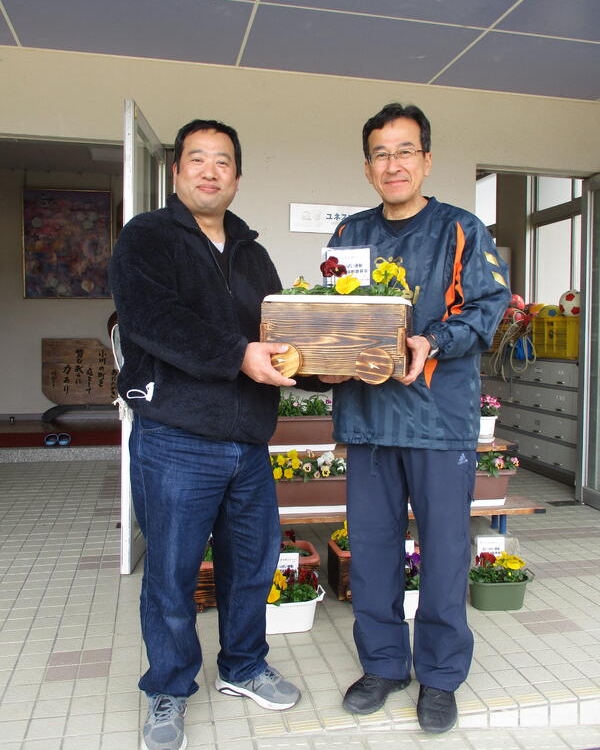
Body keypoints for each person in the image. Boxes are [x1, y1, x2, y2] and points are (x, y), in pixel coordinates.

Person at [109, 118, 300, 750]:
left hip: (249, 440)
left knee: (251, 567)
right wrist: (239, 355)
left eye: (223, 161)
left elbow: (276, 333)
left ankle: (242, 666)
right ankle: (168, 686)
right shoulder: (146, 238)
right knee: (172, 574)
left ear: (237, 177)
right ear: (176, 172)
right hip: (177, 438)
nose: (210, 171)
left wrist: (322, 360)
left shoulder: (252, 252)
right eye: (197, 158)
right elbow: (152, 320)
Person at [320, 103, 511, 733]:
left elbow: (488, 308)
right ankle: (383, 666)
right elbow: (335, 313)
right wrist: (324, 359)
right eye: (380, 153)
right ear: (368, 168)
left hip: (438, 421)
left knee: (445, 553)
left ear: (426, 161)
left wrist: (433, 341)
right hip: (368, 420)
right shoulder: (350, 234)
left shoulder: (461, 229)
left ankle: (440, 675)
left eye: (405, 151)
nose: (393, 164)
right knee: (371, 552)